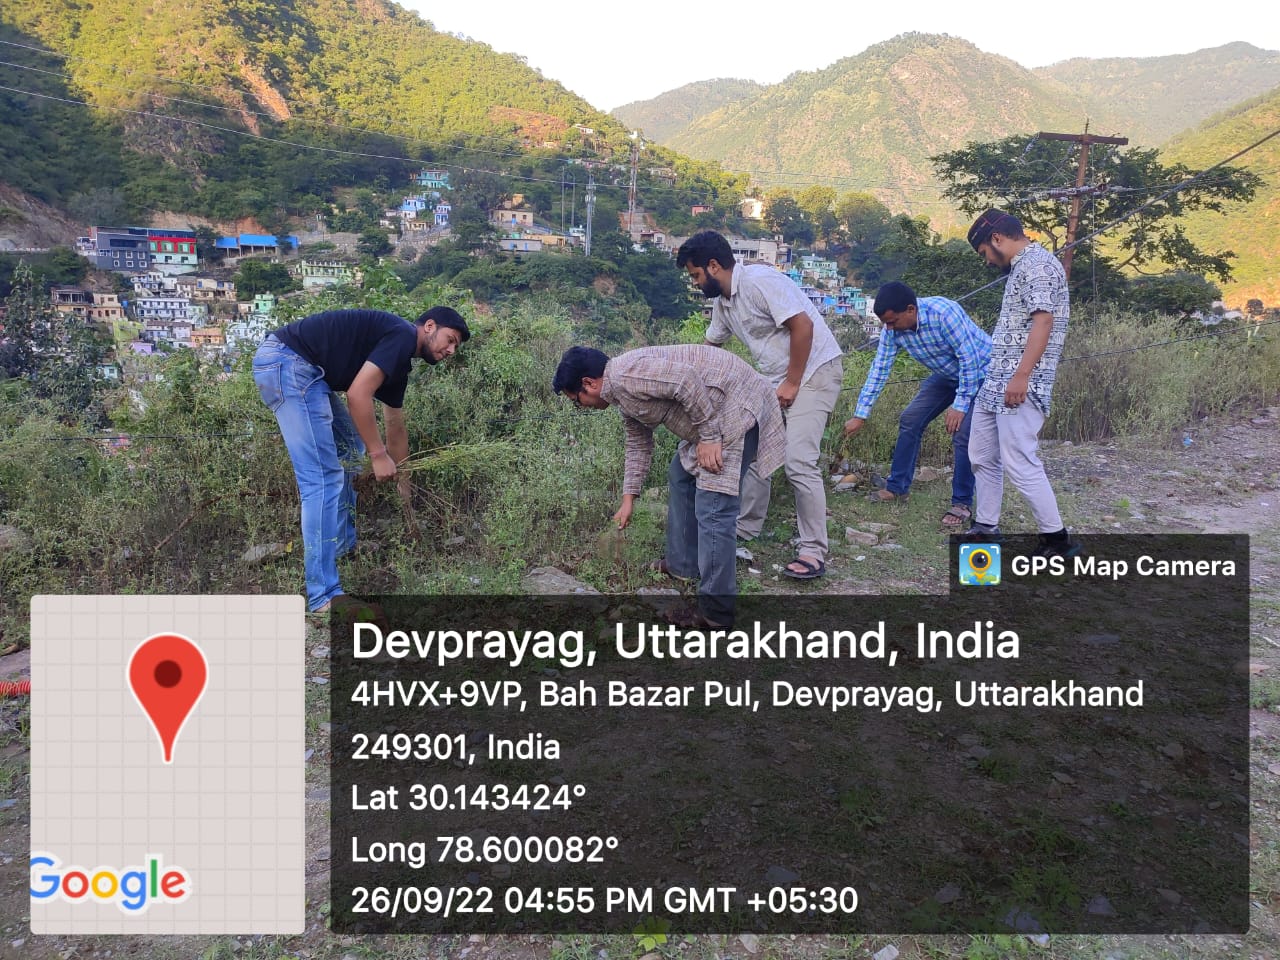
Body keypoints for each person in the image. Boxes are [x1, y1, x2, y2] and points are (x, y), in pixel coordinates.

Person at [253, 306, 470, 612]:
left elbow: (395, 425)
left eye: (456, 347)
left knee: (351, 449)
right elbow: (357, 395)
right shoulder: (403, 335)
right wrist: (378, 455)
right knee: (323, 479)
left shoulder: (399, 363)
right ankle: (323, 595)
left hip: (304, 370)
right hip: (288, 362)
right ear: (430, 326)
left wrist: (403, 482)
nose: (450, 350)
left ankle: (341, 547)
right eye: (450, 340)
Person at [553, 344, 786, 627]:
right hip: (715, 413)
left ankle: (716, 613)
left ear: (588, 383)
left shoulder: (627, 375)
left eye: (577, 400)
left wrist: (710, 436)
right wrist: (629, 498)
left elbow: (686, 380)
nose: (581, 407)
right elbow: (638, 442)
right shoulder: (620, 393)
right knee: (680, 474)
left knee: (714, 509)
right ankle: (683, 565)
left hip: (736, 406)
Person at [676, 230, 843, 580]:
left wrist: (793, 382)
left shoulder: (759, 281)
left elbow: (803, 326)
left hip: (814, 371)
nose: (695, 282)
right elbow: (708, 351)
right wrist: (680, 380)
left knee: (798, 461)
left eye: (695, 275)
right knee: (750, 448)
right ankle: (745, 528)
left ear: (713, 265)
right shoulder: (724, 303)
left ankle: (813, 550)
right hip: (775, 380)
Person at [964, 209, 1077, 557]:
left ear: (996, 239)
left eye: (983, 253)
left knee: (1019, 460)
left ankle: (1057, 539)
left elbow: (1043, 321)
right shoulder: (1021, 267)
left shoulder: (1038, 266)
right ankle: (986, 525)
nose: (985, 261)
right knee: (981, 455)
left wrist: (1022, 375)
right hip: (996, 382)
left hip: (1020, 384)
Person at [843, 281, 991, 528]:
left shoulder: (944, 313)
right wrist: (861, 414)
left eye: (892, 321)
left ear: (911, 310)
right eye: (885, 324)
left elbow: (969, 360)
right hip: (947, 375)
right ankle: (897, 487)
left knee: (962, 434)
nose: (889, 328)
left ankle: (961, 502)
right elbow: (880, 368)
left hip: (982, 373)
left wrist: (960, 405)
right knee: (910, 419)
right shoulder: (892, 330)